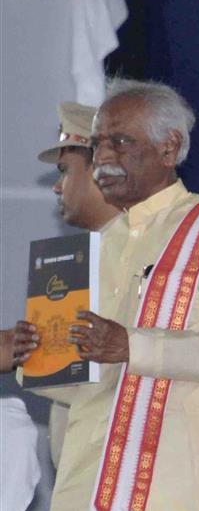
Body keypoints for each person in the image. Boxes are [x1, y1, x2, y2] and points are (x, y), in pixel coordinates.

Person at [20, 79, 199, 511]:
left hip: (182, 489)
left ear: (169, 147)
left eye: (121, 141)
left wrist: (131, 345)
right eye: (98, 145)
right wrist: (34, 355)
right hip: (88, 488)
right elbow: (87, 378)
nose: (106, 158)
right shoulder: (96, 248)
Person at [4, 102, 121, 374]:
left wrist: (25, 355)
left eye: (65, 170)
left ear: (100, 169)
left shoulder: (143, 248)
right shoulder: (89, 254)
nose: (56, 187)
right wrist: (27, 349)